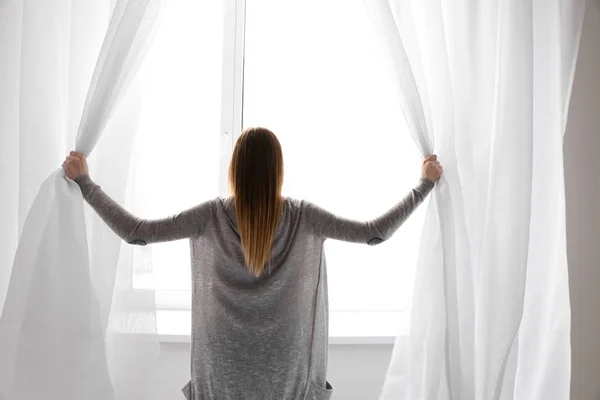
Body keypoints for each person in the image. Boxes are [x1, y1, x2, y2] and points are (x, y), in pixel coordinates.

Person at [62, 127, 443, 400]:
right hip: (287, 366)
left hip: (222, 364)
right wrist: (423, 185)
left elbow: (136, 231)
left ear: (235, 169)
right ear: (277, 170)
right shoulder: (303, 216)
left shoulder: (210, 215)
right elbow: (373, 232)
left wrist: (85, 183)